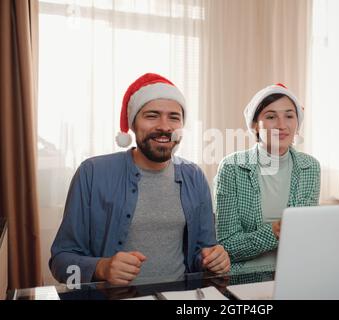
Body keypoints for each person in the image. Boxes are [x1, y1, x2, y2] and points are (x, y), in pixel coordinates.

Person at [50, 73, 230, 285]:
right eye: (152, 115)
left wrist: (215, 259)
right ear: (133, 124)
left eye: (174, 117)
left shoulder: (195, 176)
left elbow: (204, 251)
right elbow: (60, 263)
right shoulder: (91, 173)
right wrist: (101, 268)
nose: (164, 126)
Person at [214, 83, 320, 270]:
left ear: (297, 123)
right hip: (244, 278)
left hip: (296, 273)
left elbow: (307, 236)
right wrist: (276, 232)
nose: (282, 125)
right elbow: (227, 246)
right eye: (271, 116)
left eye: (289, 116)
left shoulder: (310, 167)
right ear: (255, 125)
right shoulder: (232, 167)